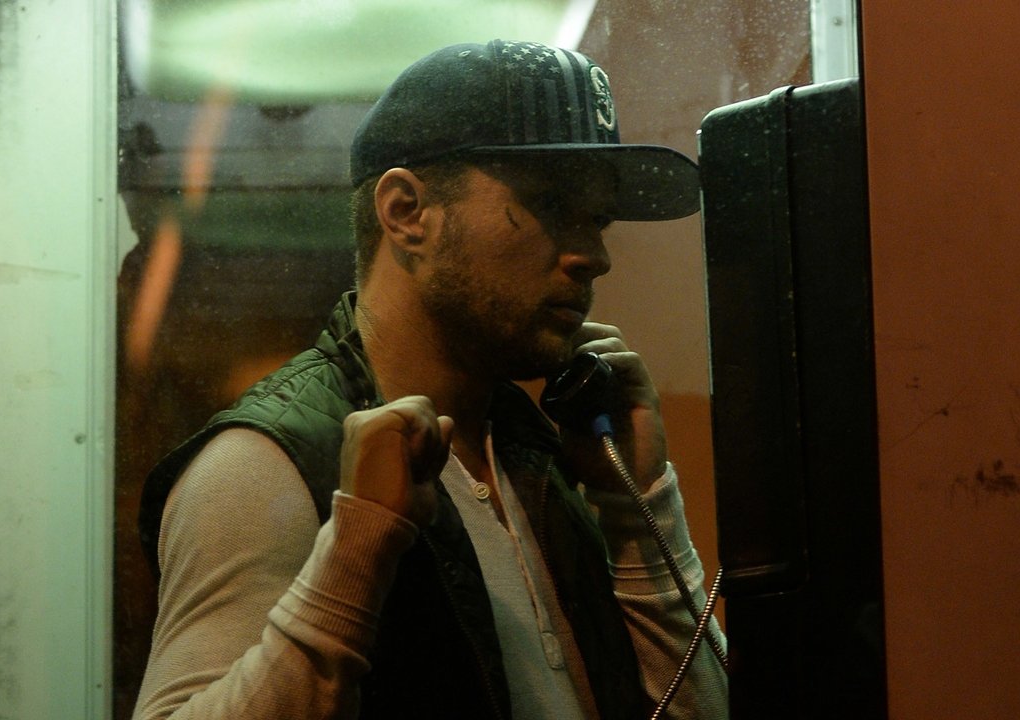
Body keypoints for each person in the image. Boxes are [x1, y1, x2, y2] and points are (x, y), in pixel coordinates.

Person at [132, 39, 728, 720]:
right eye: (551, 204)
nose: (593, 255)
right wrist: (357, 549)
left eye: (596, 220)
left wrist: (637, 502)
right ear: (406, 212)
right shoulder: (261, 468)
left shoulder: (543, 456)